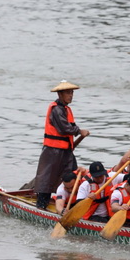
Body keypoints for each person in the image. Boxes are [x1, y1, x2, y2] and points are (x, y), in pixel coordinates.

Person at [34, 80, 90, 210]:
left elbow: (71, 125)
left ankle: (71, 202)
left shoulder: (66, 109)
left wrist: (78, 130)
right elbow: (64, 128)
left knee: (72, 174)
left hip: (66, 151)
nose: (71, 96)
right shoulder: (56, 109)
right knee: (48, 177)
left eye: (72, 93)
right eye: (68, 93)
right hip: (53, 151)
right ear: (60, 94)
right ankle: (41, 205)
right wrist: (79, 131)